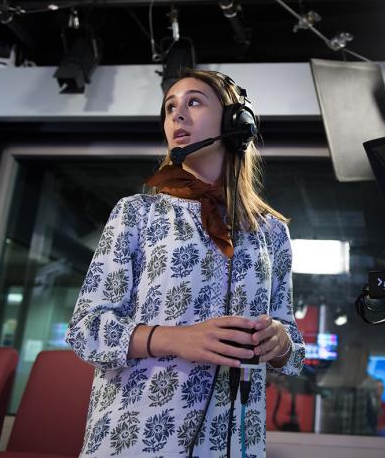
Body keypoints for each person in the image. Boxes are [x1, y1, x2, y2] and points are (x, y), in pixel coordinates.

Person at [66, 69, 304, 457]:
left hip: (234, 444)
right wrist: (178, 339)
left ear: (234, 123)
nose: (177, 115)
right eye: (169, 107)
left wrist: (279, 342)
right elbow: (86, 330)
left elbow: (293, 345)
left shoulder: (271, 233)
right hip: (135, 436)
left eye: (194, 102)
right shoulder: (136, 214)